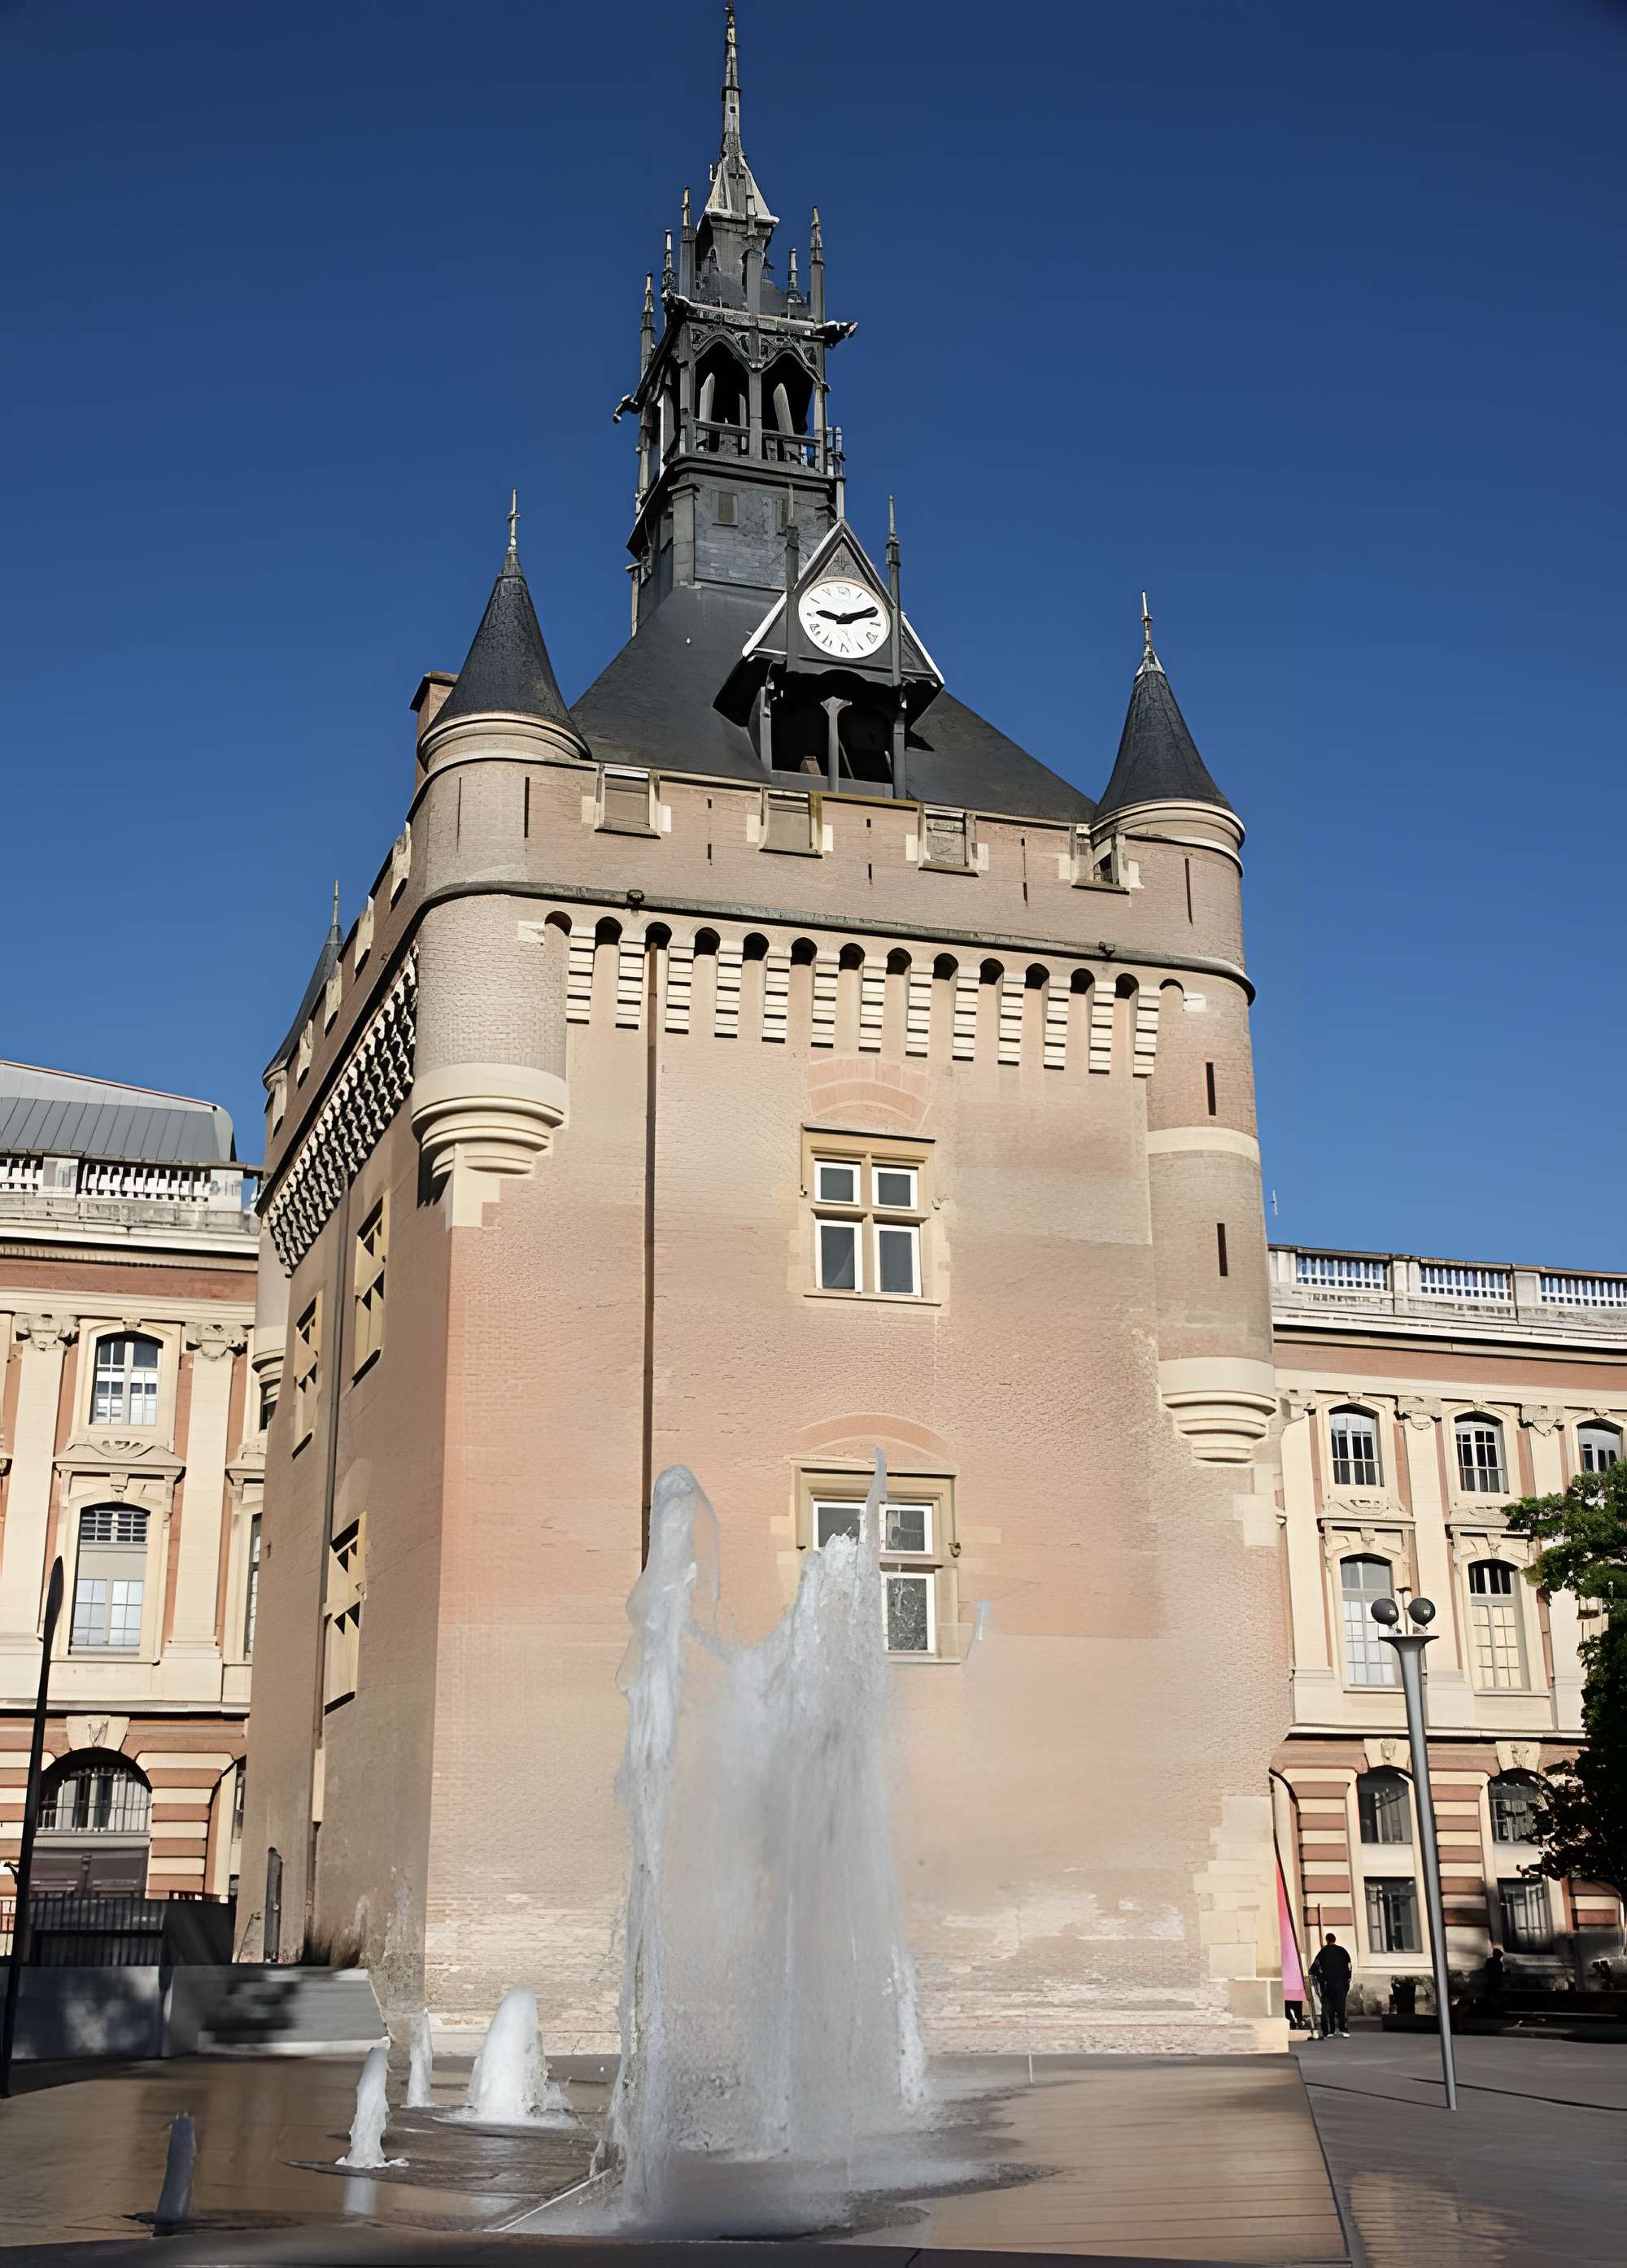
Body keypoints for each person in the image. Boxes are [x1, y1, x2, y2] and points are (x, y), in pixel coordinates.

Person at [1309, 1933, 1352, 2036]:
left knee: (1330, 2007)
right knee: (1341, 2006)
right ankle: (1342, 2028)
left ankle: (1330, 2030)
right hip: (1342, 1982)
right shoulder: (1343, 1951)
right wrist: (1348, 1978)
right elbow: (1349, 1966)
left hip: (1328, 1983)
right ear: (1335, 1940)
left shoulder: (1323, 1952)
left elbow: (1313, 1969)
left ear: (1327, 1940)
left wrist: (1321, 1977)